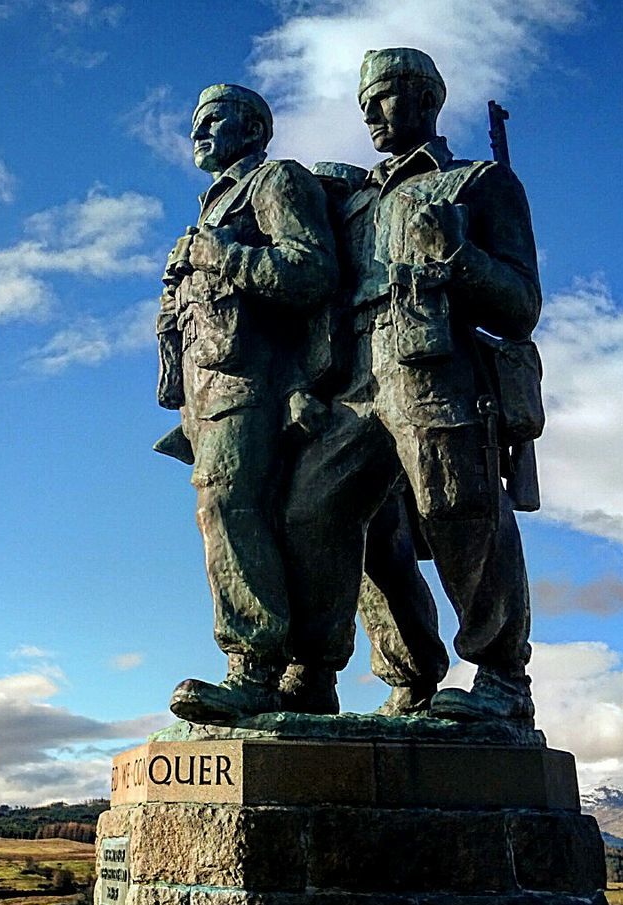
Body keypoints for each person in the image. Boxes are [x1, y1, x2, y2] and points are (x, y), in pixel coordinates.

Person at [281, 48, 541, 724]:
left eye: (387, 94)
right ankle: (373, 675)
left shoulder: (479, 182)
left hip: (434, 372)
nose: (370, 111)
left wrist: (459, 257)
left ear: (427, 99)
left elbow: (519, 307)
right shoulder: (353, 202)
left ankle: (502, 680)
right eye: (364, 99)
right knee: (315, 513)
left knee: (461, 513)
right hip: (354, 380)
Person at [155, 83, 337, 725]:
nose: (199, 133)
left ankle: (254, 665)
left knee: (228, 504)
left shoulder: (274, 181)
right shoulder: (209, 209)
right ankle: (296, 674)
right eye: (194, 123)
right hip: (204, 392)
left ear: (254, 127)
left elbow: (310, 271)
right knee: (235, 513)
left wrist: (222, 255)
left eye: (214, 120)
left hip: (254, 380)